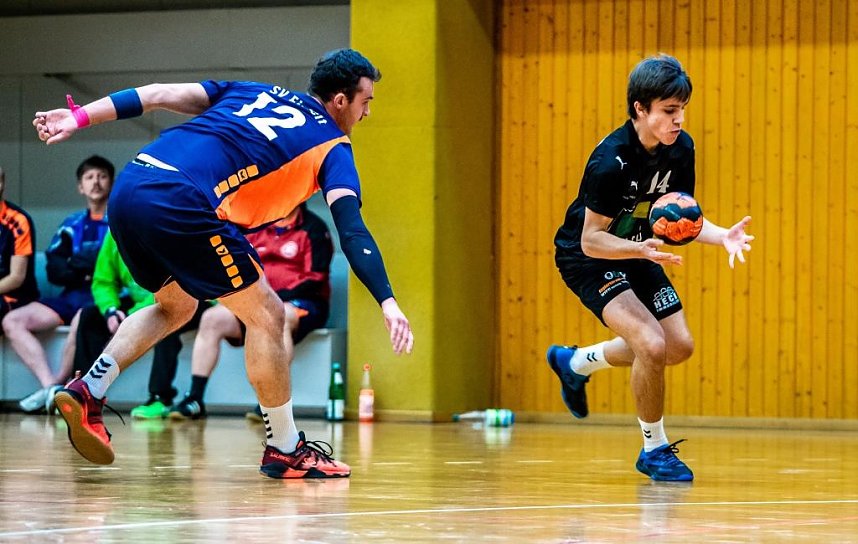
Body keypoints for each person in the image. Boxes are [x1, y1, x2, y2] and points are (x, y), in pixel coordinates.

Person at [34, 48, 413, 479]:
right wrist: (387, 301)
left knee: (177, 306)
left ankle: (89, 389)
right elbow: (352, 230)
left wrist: (79, 117)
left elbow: (156, 94)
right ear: (341, 100)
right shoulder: (333, 146)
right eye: (366, 101)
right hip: (183, 201)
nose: (367, 113)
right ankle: (285, 448)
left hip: (132, 185)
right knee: (268, 315)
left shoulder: (251, 91)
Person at [547, 54, 753, 482]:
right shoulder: (610, 161)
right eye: (669, 110)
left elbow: (678, 218)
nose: (679, 120)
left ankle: (576, 363)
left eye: (682, 109)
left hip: (641, 249)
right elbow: (591, 239)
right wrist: (639, 250)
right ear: (640, 109)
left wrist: (722, 236)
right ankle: (654, 449)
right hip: (589, 257)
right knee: (651, 344)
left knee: (678, 347)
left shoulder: (682, 149)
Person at [169, 203, 333, 421]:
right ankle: (194, 398)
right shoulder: (256, 225)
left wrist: (272, 299)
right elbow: (238, 264)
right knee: (212, 318)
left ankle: (272, 404)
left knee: (279, 317)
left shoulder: (314, 228)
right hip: (257, 301)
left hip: (302, 302)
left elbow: (316, 277)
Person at [52, 230, 207, 419]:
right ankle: (83, 394)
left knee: (166, 319)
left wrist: (130, 316)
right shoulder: (115, 233)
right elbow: (103, 281)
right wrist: (111, 310)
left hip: (191, 299)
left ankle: (160, 397)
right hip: (138, 304)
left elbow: (175, 290)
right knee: (89, 316)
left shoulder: (167, 230)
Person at [6, 155, 112, 414]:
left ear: (111, 183)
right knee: (13, 321)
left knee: (81, 321)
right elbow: (55, 269)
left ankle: (61, 386)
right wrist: (83, 270)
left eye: (102, 176)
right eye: (89, 177)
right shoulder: (71, 225)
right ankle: (50, 387)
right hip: (70, 296)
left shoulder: (119, 224)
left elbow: (114, 269)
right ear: (80, 187)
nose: (96, 182)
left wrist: (79, 264)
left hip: (104, 299)